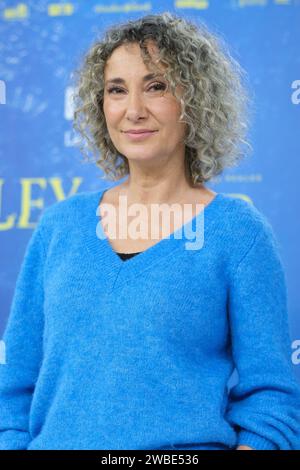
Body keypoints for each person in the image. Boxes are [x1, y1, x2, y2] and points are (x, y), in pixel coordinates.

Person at [1, 12, 300, 451]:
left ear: (193, 100)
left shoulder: (237, 232)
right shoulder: (59, 227)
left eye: (156, 86)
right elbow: (14, 388)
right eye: (116, 90)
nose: (134, 109)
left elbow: (273, 397)